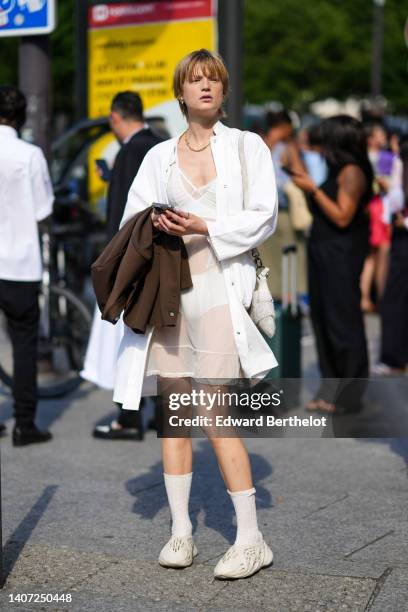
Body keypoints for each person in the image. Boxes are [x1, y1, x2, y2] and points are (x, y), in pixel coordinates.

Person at [113, 49, 278, 579]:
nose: (205, 86)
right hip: (169, 293)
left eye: (214, 79)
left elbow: (264, 217)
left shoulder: (247, 146)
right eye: (195, 80)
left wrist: (202, 226)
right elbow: (131, 219)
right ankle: (181, 531)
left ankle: (251, 538)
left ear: (224, 91)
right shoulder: (158, 156)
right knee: (173, 417)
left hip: (219, 293)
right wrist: (157, 222)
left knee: (212, 412)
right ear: (181, 92)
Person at [81, 91, 163, 440]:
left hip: (131, 257)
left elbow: (125, 213)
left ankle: (127, 419)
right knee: (159, 339)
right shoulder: (160, 145)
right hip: (160, 256)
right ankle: (163, 416)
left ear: (115, 117)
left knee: (128, 340)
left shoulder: (130, 150)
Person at [289, 115, 373, 414]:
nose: (319, 145)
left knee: (342, 322)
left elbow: (342, 215)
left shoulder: (352, 172)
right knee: (323, 320)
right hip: (323, 250)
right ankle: (331, 389)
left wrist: (312, 190)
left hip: (341, 253)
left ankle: (349, 395)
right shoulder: (336, 169)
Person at [0, 85, 54, 446]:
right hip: (19, 263)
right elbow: (42, 209)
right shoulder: (30, 155)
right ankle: (24, 424)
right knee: (23, 343)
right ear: (21, 116)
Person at [376, 135, 408, 374]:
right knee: (395, 298)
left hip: (402, 239)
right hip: (400, 241)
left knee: (395, 299)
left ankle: (395, 358)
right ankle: (395, 357)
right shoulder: (399, 167)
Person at [360, 122, 391, 312]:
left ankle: (364, 297)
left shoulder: (361, 158)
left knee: (370, 255)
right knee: (382, 252)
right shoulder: (385, 158)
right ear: (371, 138)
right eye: (380, 134)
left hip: (369, 207)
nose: (384, 136)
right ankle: (382, 297)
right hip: (380, 207)